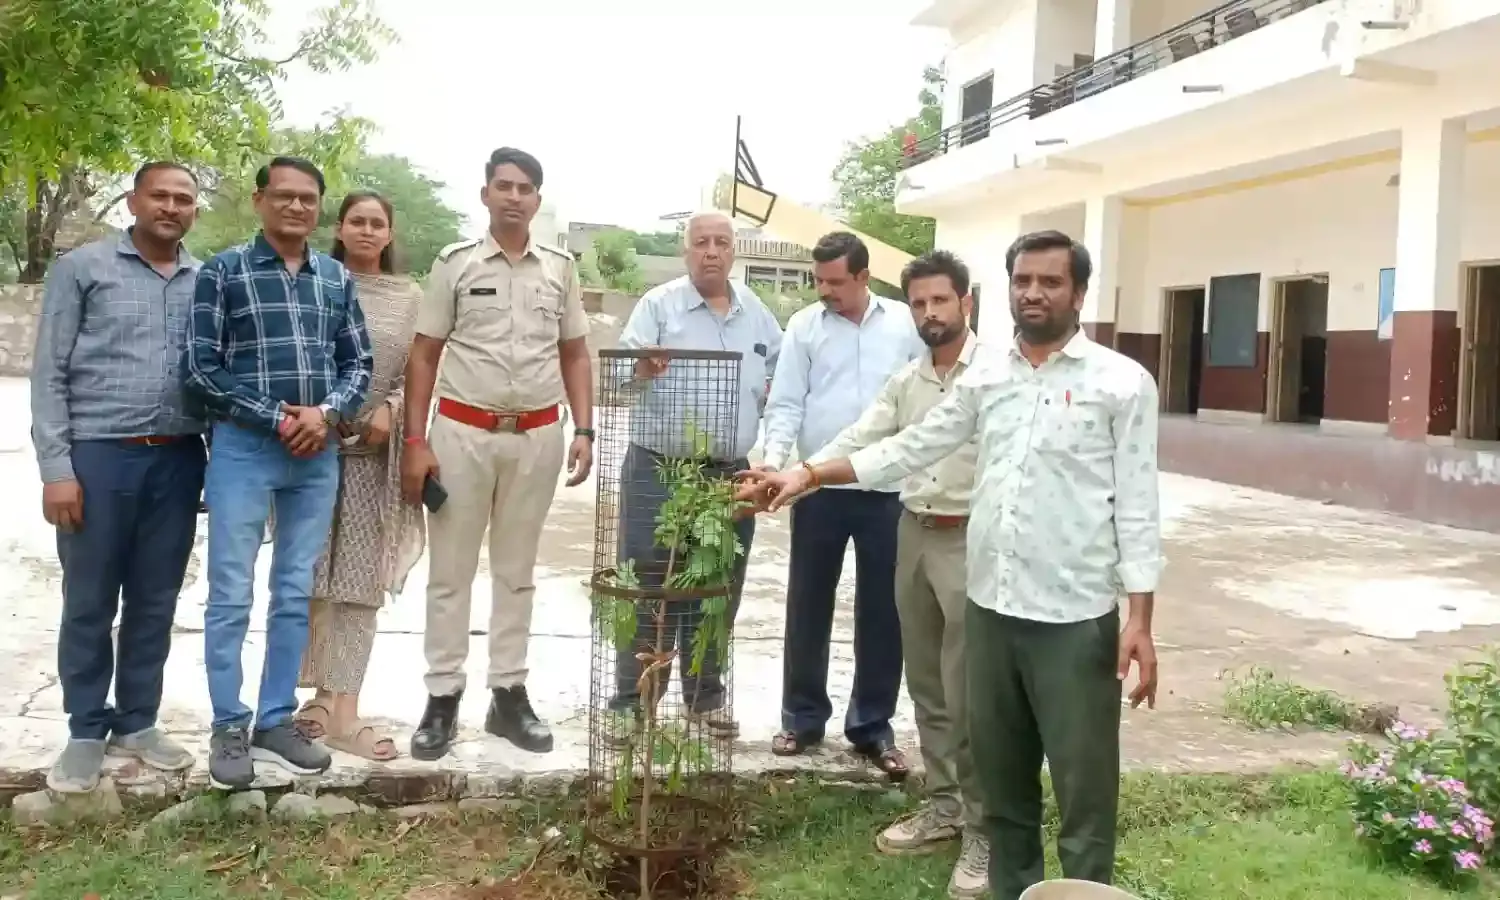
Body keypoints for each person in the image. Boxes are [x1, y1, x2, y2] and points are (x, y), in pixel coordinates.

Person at [737, 230, 1163, 900]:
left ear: (1079, 293)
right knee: (1003, 781)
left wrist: (1139, 615)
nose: (1034, 293)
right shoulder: (987, 380)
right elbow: (910, 444)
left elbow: (1138, 505)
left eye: (1050, 281)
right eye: (1023, 280)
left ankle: (1084, 890)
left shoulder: (1121, 383)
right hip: (992, 609)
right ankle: (1010, 886)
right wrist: (810, 474)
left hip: (1075, 617)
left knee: (1083, 790)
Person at [184, 156, 374, 791]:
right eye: (284, 196)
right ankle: (229, 724)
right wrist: (279, 418)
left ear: (318, 208)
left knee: (294, 591)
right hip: (244, 449)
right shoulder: (224, 271)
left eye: (308, 198)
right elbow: (202, 368)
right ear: (260, 200)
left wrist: (326, 414)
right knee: (231, 591)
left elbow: (359, 361)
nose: (297, 207)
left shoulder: (334, 280)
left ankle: (274, 720)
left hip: (316, 454)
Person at [401, 147, 594, 760]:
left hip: (537, 437)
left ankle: (508, 695)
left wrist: (584, 428)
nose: (514, 196)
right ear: (485, 194)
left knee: (517, 573)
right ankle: (442, 698)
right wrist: (414, 439)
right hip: (461, 433)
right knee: (450, 573)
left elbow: (575, 354)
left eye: (526, 188)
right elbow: (425, 353)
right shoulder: (454, 265)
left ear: (538, 200)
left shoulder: (560, 269)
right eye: (503, 186)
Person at [811, 250, 988, 898]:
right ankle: (945, 807)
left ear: (966, 302)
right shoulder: (908, 381)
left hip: (974, 541)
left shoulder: (994, 377)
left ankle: (985, 831)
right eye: (918, 303)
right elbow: (863, 435)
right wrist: (795, 477)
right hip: (913, 533)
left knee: (973, 692)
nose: (930, 313)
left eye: (941, 300)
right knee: (929, 686)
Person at [29, 162, 208, 794]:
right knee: (90, 597)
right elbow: (48, 373)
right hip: (97, 458)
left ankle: (137, 721)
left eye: (183, 199)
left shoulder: (203, 279)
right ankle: (84, 728)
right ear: (133, 200)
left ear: (194, 211)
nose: (170, 206)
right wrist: (57, 469)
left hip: (179, 457)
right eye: (159, 195)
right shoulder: (84, 269)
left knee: (156, 599)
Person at [606, 210, 783, 738]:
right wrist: (639, 369)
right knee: (646, 584)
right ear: (686, 251)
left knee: (716, 586)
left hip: (729, 474)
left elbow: (781, 381)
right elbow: (614, 379)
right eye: (701, 242)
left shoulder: (757, 315)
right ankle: (631, 700)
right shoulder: (658, 306)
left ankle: (704, 697)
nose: (712, 251)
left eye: (722, 242)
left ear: (734, 251)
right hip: (657, 469)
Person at [757, 231, 923, 779]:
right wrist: (776, 464)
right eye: (818, 280)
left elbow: (926, 402)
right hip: (816, 488)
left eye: (834, 281)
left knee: (884, 612)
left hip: (888, 490)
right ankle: (802, 718)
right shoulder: (804, 327)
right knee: (808, 604)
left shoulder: (904, 325)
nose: (824, 290)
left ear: (862, 276)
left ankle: (872, 727)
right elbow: (784, 404)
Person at [291, 191, 426, 761]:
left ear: (390, 234)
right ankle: (316, 698)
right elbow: (293, 358)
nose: (368, 231)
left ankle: (346, 705)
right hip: (311, 448)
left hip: (378, 456)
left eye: (378, 223)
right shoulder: (312, 283)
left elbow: (423, 372)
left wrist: (392, 409)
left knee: (359, 587)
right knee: (309, 578)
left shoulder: (412, 298)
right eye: (357, 221)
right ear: (339, 229)